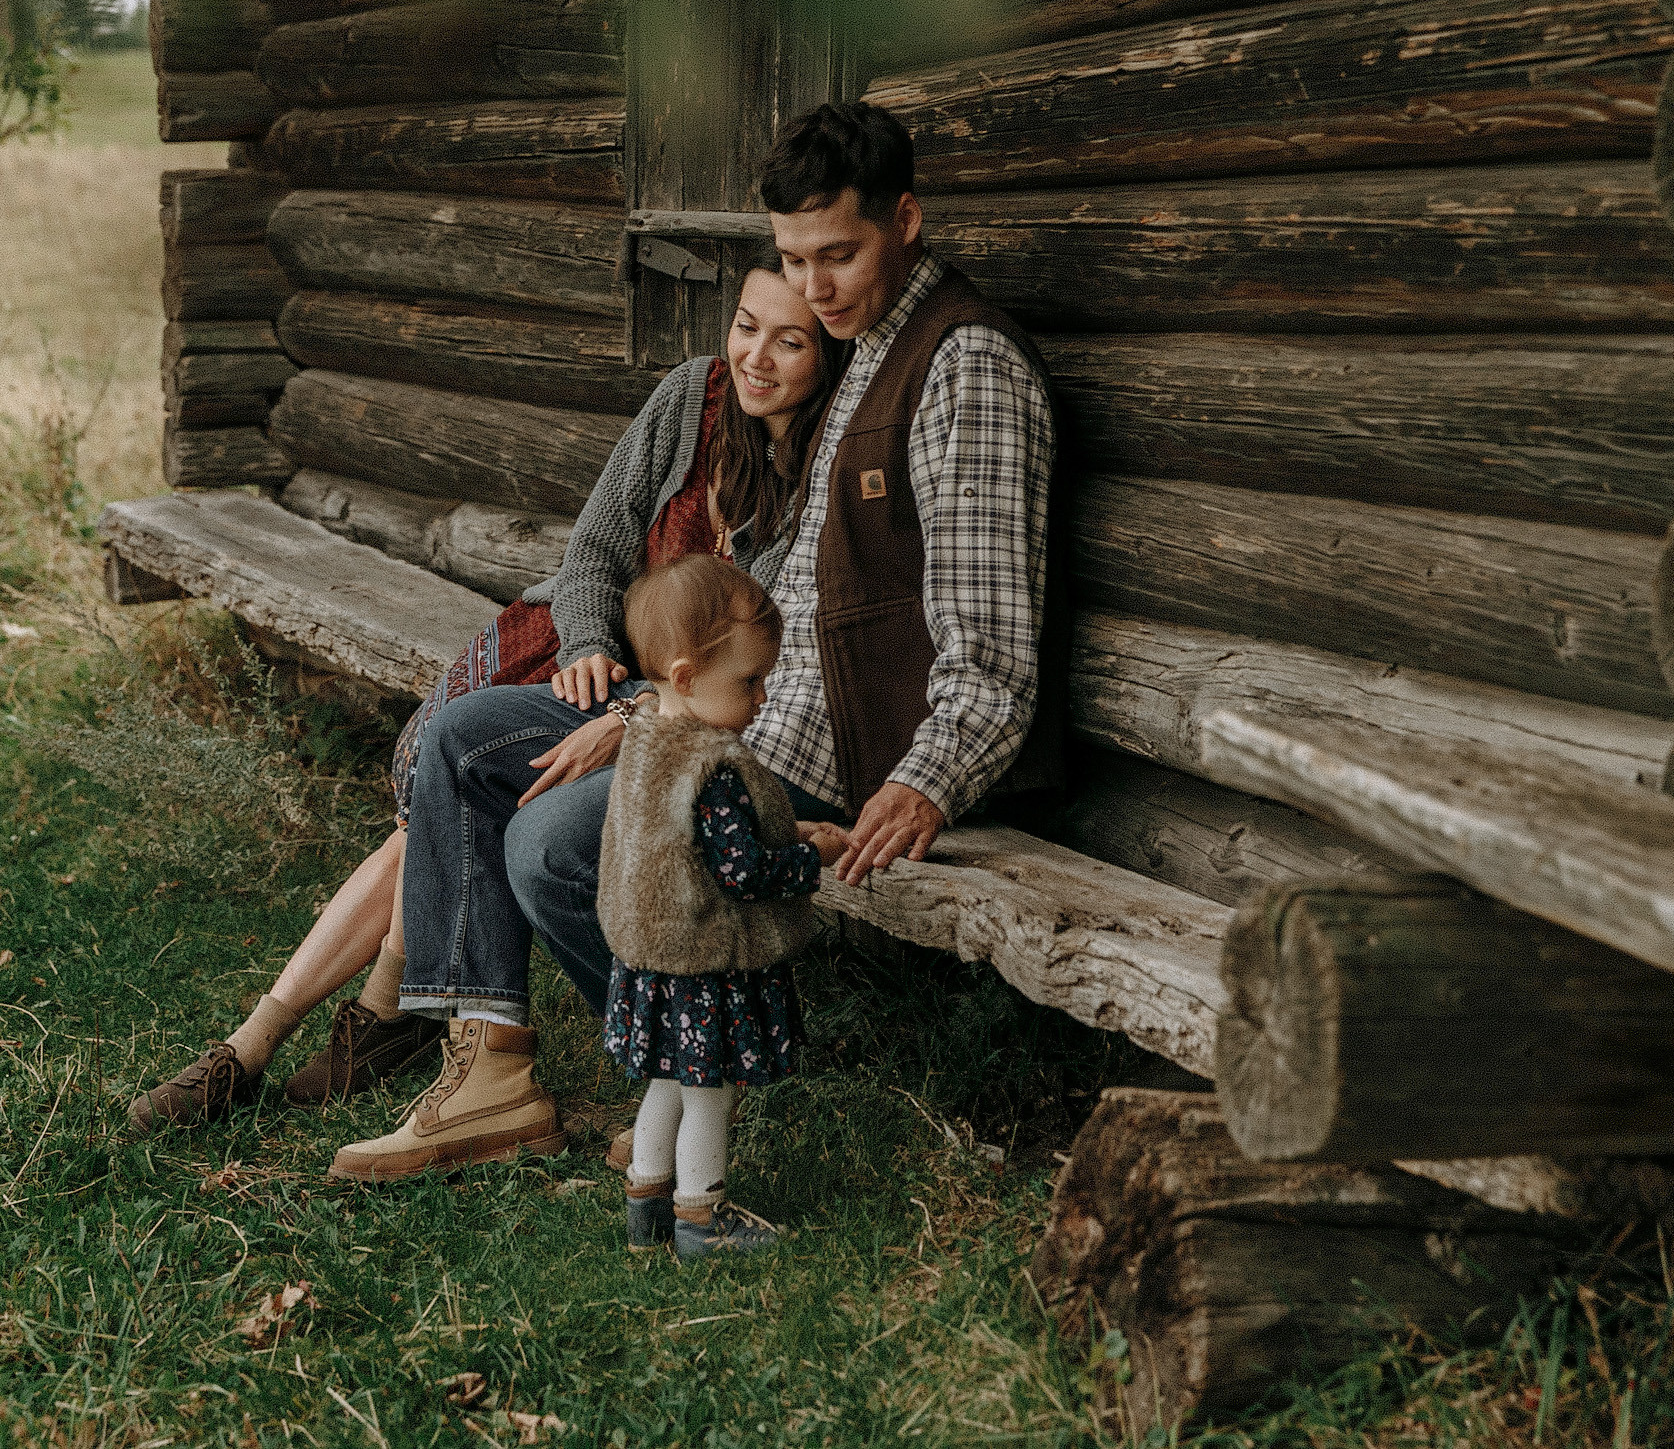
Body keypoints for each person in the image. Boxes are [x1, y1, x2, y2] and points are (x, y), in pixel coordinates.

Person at [330, 100, 1059, 1183]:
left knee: (554, 845)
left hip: (832, 749)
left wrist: (930, 780)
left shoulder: (965, 372)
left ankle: (684, 1070)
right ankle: (491, 1073)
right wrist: (645, 712)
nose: (811, 288)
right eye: (791, 259)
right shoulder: (863, 345)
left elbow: (990, 638)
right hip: (739, 705)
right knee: (470, 738)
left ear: (906, 220)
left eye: (838, 255)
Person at [126, 266, 848, 1132]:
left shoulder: (820, 474)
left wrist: (624, 718)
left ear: (830, 355)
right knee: (452, 753)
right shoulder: (690, 396)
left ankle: (312, 1033)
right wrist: (586, 646)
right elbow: (594, 551)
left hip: (673, 714)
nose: (755, 357)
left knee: (460, 792)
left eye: (790, 340)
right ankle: (333, 1030)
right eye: (745, 325)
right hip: (584, 655)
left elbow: (729, 673)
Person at [599, 556, 847, 1261]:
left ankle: (645, 1207)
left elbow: (681, 846)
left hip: (655, 955)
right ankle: (702, 1217)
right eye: (749, 680)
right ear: (684, 676)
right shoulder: (715, 768)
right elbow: (742, 872)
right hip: (706, 962)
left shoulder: (646, 741)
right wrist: (813, 858)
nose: (764, 695)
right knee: (709, 1091)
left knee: (665, 1084)